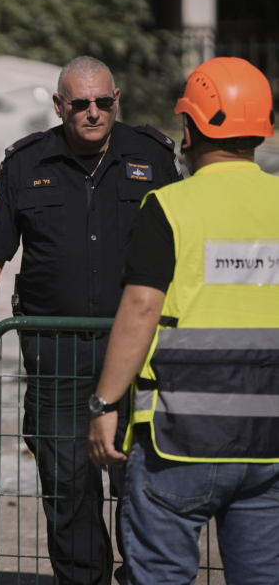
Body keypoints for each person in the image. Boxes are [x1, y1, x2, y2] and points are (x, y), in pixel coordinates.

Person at [0, 56, 181, 585]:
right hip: (55, 355)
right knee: (67, 487)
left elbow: (183, 247)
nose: (93, 112)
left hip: (136, 352)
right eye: (80, 104)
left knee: (141, 484)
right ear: (59, 106)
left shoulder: (151, 155)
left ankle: (143, 577)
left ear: (117, 99)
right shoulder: (25, 163)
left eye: (103, 102)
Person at [89, 58, 279, 584]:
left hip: (178, 439)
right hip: (269, 440)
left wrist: (105, 404)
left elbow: (141, 309)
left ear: (190, 129)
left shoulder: (170, 206)